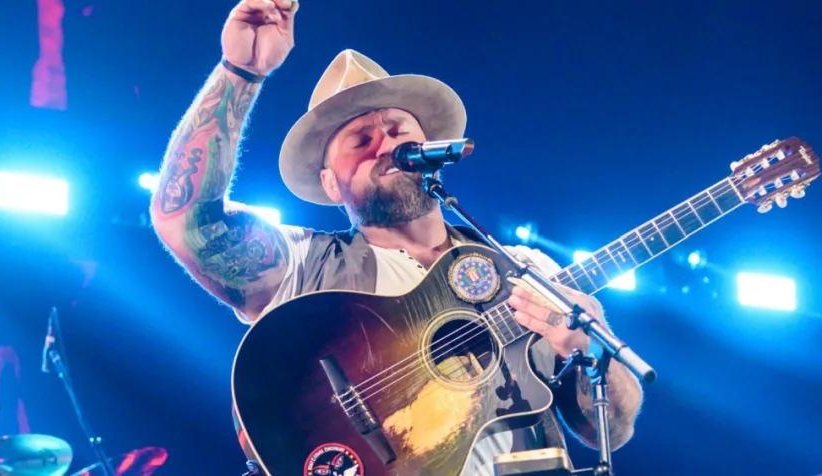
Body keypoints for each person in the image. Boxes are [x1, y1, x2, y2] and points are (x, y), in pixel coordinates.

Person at [149, 0, 644, 474]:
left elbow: (612, 431)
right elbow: (188, 223)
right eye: (360, 141)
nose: (385, 143)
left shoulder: (525, 269)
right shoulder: (305, 264)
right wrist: (240, 73)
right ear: (328, 182)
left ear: (428, 148)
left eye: (396, 129)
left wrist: (587, 346)